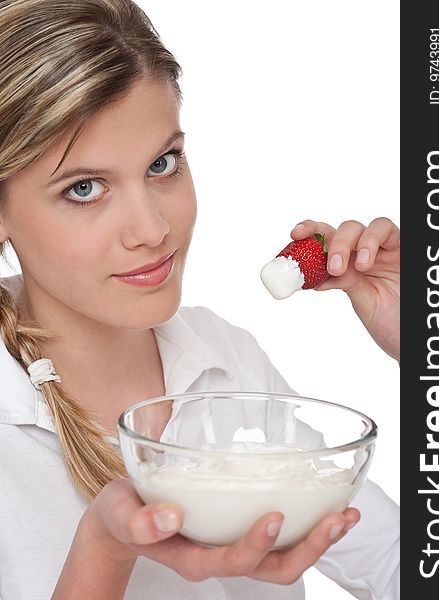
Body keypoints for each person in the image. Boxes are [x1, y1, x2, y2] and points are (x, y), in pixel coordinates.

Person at [0, 1, 400, 599]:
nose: (152, 228)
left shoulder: (223, 360)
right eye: (85, 188)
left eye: (163, 164)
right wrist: (106, 549)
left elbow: (403, 566)